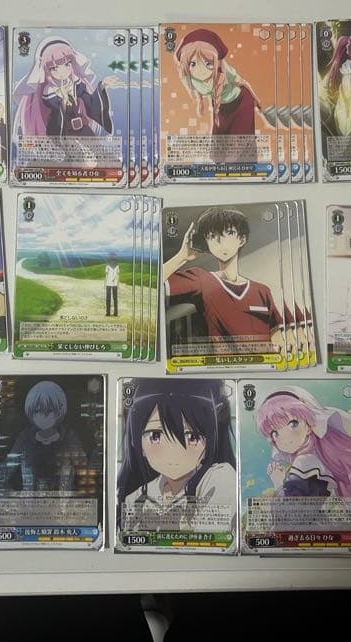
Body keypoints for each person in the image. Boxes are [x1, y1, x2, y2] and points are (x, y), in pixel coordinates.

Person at [117, 379, 236, 532]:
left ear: (210, 441)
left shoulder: (219, 477)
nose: (173, 452)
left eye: (192, 437)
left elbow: (210, 538)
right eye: (155, 436)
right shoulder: (135, 498)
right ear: (137, 443)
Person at [163, 207, 283, 350]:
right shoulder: (200, 279)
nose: (221, 242)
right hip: (222, 361)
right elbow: (149, 284)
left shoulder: (262, 291)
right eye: (212, 236)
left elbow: (276, 336)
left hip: (264, 362)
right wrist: (181, 257)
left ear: (242, 239)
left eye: (230, 233)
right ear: (206, 242)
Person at [174, 28, 268, 164]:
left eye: (208, 63)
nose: (201, 70)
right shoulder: (189, 78)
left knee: (238, 145)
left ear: (216, 61)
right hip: (220, 106)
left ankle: (240, 169)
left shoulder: (224, 70)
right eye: (193, 64)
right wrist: (200, 102)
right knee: (218, 146)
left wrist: (256, 99)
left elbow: (243, 82)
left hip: (241, 103)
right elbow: (199, 89)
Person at [4, 381, 87, 493]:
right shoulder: (25, 437)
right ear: (31, 411)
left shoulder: (68, 436)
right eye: (38, 411)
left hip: (63, 499)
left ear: (60, 410)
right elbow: (8, 468)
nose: (44, 416)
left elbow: (83, 467)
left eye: (50, 411)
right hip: (30, 499)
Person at [105, 252, 120, 317]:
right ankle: (115, 313)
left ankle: (108, 313)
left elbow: (106, 275)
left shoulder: (108, 265)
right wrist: (118, 284)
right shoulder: (117, 265)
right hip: (114, 283)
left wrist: (105, 283)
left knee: (108, 298)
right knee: (115, 298)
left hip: (109, 283)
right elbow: (118, 275)